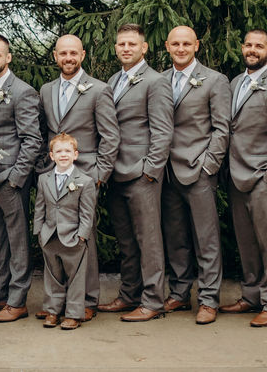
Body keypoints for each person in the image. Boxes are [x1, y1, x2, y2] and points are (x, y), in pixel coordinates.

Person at [37, 34, 119, 321]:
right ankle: (57, 304)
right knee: (56, 242)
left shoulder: (99, 89)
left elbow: (110, 136)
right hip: (55, 175)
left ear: (82, 55)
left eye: (73, 53)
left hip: (85, 175)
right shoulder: (46, 90)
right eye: (63, 53)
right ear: (55, 57)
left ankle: (88, 300)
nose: (68, 58)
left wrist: (98, 175)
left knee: (85, 240)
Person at [219, 29, 267, 327]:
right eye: (249, 45)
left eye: (259, 46)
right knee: (246, 243)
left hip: (265, 178)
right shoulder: (236, 82)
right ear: (242, 48)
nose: (253, 50)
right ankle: (251, 295)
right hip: (237, 176)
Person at [98, 23, 173, 323]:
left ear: (144, 48)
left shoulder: (155, 82)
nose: (125, 48)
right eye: (121, 44)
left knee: (149, 240)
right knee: (126, 240)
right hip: (115, 172)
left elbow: (163, 131)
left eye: (132, 44)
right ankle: (129, 294)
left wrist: (151, 171)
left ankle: (153, 301)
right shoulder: (113, 80)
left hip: (142, 173)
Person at [159, 25, 230, 325]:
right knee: (175, 237)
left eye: (186, 43)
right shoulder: (159, 80)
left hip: (199, 169)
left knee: (206, 239)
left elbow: (222, 128)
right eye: (175, 44)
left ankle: (209, 299)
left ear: (196, 46)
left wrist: (208, 166)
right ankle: (178, 292)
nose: (181, 48)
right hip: (167, 170)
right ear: (167, 46)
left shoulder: (215, 80)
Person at [0, 34, 43, 323]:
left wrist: (16, 179)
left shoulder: (23, 91)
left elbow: (32, 140)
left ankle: (17, 301)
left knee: (17, 241)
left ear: (8, 58)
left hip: (11, 180)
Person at [35, 133, 97, 331]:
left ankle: (73, 314)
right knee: (52, 276)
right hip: (50, 235)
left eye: (67, 151)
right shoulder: (43, 179)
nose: (63, 155)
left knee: (76, 277)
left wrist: (82, 235)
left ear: (76, 154)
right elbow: (39, 207)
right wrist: (39, 231)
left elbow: (87, 213)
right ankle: (53, 311)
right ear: (51, 156)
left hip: (73, 237)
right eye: (59, 151)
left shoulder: (84, 181)